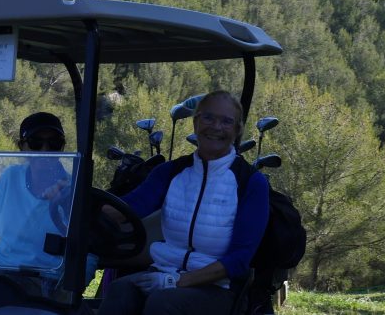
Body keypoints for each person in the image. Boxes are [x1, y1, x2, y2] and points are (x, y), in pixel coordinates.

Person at [99, 91, 271, 315]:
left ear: (237, 130)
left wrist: (178, 281)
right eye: (208, 118)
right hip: (163, 272)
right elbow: (129, 207)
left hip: (218, 287)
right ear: (196, 122)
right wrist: (76, 203)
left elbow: (239, 260)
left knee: (164, 303)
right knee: (119, 290)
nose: (216, 127)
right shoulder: (171, 172)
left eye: (227, 121)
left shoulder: (249, 183)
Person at [0, 112, 96, 290]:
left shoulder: (74, 190)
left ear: (62, 148)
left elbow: (89, 252)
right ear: (22, 146)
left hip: (45, 280)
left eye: (54, 143)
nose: (45, 150)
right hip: (0, 270)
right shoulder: (10, 177)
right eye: (36, 142)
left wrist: (67, 291)